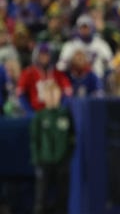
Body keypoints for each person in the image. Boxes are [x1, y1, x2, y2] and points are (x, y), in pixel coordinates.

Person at [29, 80, 74, 214]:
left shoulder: (66, 114)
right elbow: (34, 139)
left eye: (54, 93)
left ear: (59, 94)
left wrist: (68, 156)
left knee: (63, 197)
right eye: (49, 94)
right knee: (41, 198)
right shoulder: (40, 116)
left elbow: (73, 137)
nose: (52, 96)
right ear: (44, 97)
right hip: (44, 162)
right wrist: (37, 160)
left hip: (62, 162)